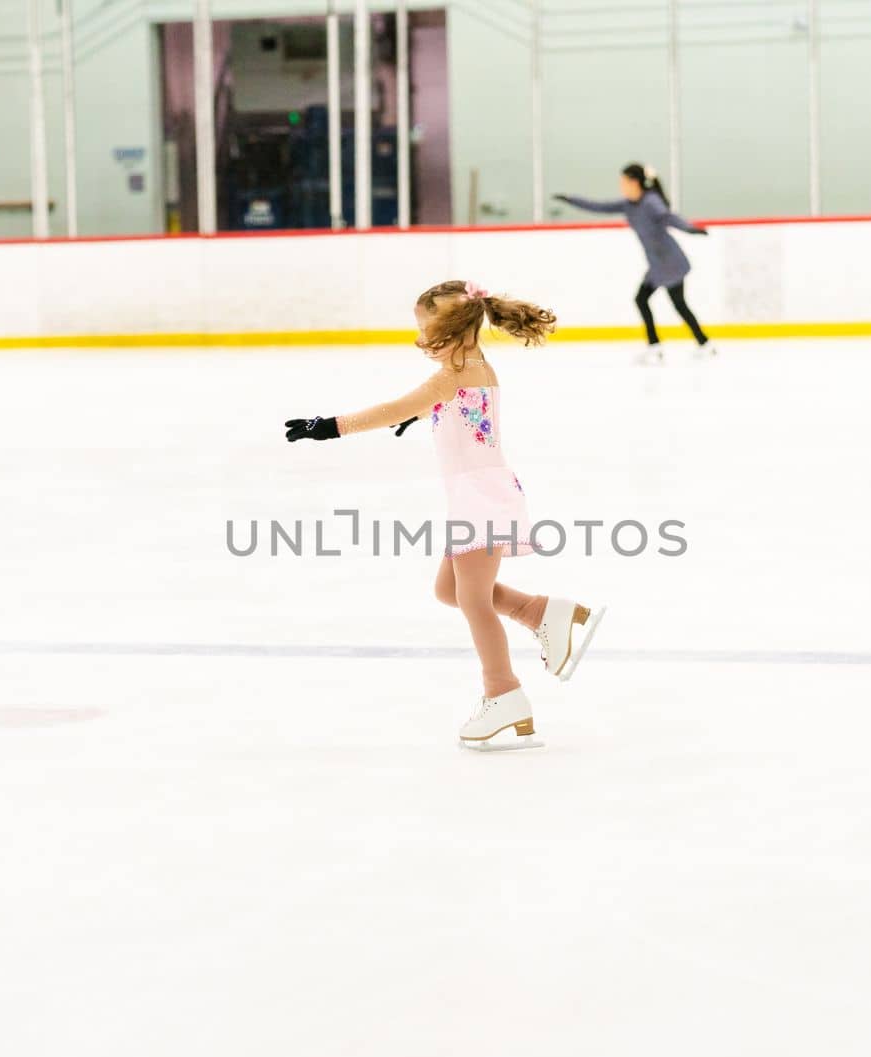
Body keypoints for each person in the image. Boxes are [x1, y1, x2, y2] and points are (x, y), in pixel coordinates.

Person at [284, 280, 607, 750]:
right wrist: (420, 416)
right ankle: (540, 612)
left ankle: (504, 692)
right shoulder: (473, 367)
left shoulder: (453, 374)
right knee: (448, 590)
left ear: (449, 327)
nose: (419, 338)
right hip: (480, 493)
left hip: (481, 497)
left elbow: (395, 406)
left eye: (424, 327)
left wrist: (330, 427)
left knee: (473, 599)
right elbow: (443, 409)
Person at [555, 163, 714, 363]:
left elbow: (668, 216)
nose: (621, 186)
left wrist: (690, 228)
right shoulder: (628, 204)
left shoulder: (651, 202)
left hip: (669, 262)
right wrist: (571, 200)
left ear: (635, 182)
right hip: (658, 263)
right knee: (668, 303)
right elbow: (599, 206)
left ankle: (664, 346)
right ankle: (700, 343)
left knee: (653, 301)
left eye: (624, 182)